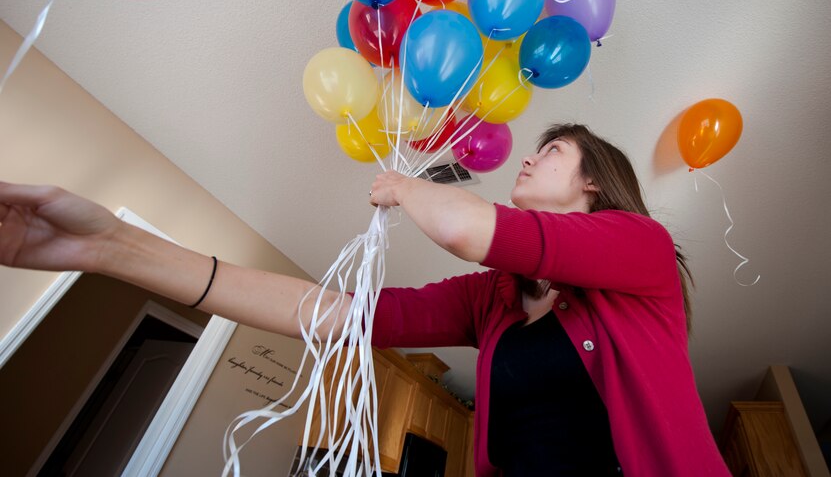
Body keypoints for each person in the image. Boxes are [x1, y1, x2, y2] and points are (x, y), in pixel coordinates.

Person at [0, 123, 729, 476]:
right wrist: (108, 249)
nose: (530, 156)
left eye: (553, 150)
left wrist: (408, 182)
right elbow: (324, 313)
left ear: (594, 181)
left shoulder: (641, 248)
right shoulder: (494, 302)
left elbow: (468, 228)